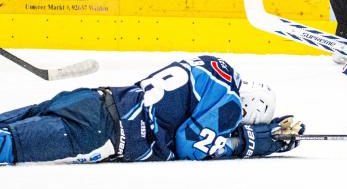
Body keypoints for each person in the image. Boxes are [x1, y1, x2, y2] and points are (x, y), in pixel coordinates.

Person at [0, 55, 304, 164]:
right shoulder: (232, 105)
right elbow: (191, 146)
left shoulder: (215, 65)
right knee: (8, 146)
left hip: (93, 99)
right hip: (100, 133)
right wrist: (246, 142)